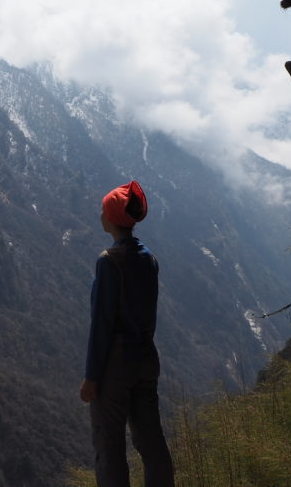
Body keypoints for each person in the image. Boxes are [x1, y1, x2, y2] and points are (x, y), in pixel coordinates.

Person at [80, 180, 174, 487]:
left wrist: (92, 376)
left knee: (109, 446)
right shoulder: (150, 259)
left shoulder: (109, 263)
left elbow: (102, 323)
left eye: (103, 210)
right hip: (146, 358)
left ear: (111, 218)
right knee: (151, 439)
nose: (100, 215)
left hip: (115, 365)